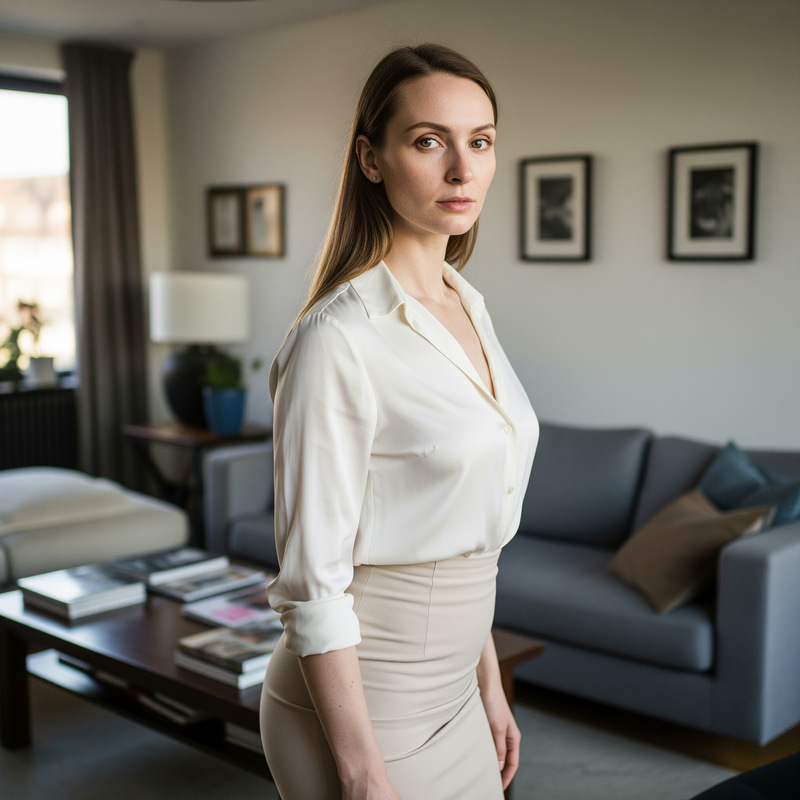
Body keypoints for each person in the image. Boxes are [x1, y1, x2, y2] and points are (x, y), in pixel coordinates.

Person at [260, 43, 539, 800]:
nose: (463, 169)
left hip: (457, 693)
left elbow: (458, 524)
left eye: (479, 141)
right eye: (428, 141)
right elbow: (313, 586)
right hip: (364, 715)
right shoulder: (335, 339)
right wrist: (361, 772)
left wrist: (489, 685)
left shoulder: (467, 306)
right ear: (371, 159)